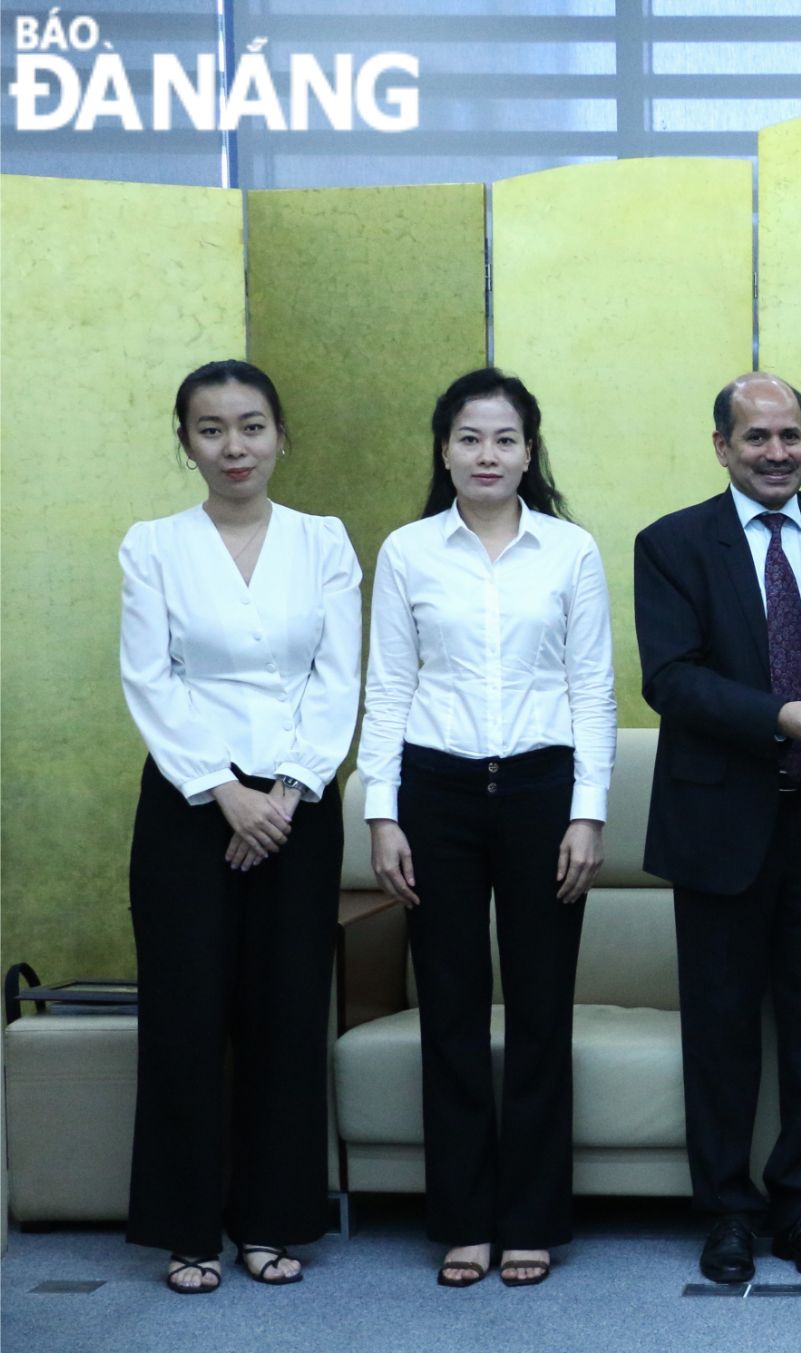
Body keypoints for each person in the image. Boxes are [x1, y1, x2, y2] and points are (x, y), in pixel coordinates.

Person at [361, 368, 615, 1289]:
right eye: (469, 438)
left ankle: (533, 1219)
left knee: (542, 1011)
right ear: (444, 450)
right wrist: (382, 813)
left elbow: (594, 690)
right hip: (437, 795)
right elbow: (386, 687)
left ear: (529, 450)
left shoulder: (571, 551)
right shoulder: (406, 552)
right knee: (454, 1011)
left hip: (546, 791)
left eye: (504, 439)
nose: (487, 455)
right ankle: (464, 1219)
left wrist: (589, 811)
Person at [119, 360, 361, 1293]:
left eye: (251, 426)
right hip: (190, 805)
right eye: (211, 429)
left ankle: (273, 1221)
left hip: (298, 806)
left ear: (281, 435)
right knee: (186, 1015)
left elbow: (338, 675)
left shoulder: (325, 540)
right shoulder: (153, 544)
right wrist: (224, 791)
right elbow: (151, 677)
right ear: (186, 443)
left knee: (286, 1015)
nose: (234, 447)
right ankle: (188, 1228)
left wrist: (288, 793)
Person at [633, 372, 801, 1285]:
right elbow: (673, 678)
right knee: (723, 1026)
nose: (777, 453)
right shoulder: (672, 544)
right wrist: (778, 714)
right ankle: (728, 1211)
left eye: (792, 435)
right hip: (721, 817)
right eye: (757, 438)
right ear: (722, 446)